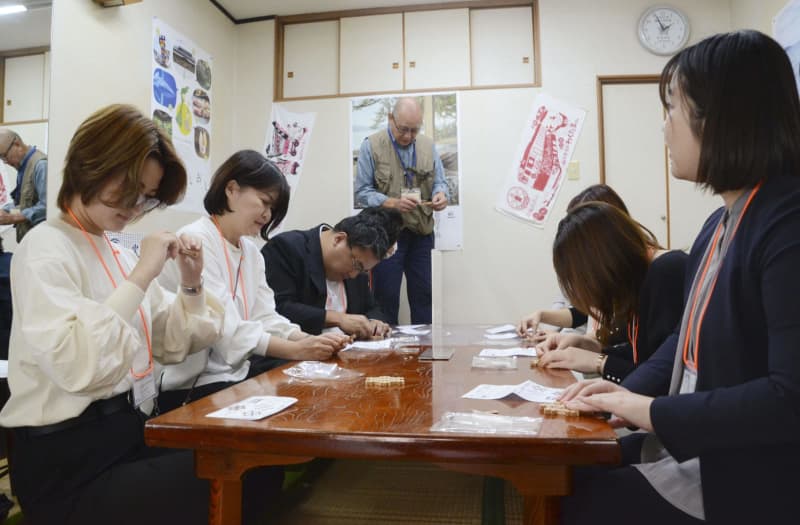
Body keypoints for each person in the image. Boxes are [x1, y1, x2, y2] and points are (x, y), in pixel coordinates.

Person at [559, 31, 800, 525]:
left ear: (724, 117)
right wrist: (618, 396)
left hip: (744, 476)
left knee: (574, 501)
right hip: (694, 451)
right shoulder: (720, 223)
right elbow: (681, 344)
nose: (665, 127)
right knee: (568, 469)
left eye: (672, 107)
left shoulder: (786, 222)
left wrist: (647, 410)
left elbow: (788, 398)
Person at [0, 104, 237, 524]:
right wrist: (144, 273)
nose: (135, 205)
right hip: (67, 461)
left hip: (125, 435)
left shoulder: (115, 248)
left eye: (147, 195)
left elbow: (174, 340)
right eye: (129, 186)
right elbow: (78, 364)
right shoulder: (44, 245)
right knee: (222, 478)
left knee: (242, 460)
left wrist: (192, 282)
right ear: (90, 163)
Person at [157, 150, 349, 413]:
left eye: (273, 208)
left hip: (234, 377)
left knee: (318, 395)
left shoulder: (250, 252)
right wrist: (298, 350)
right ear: (232, 189)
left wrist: (307, 340)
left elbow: (265, 316)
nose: (268, 215)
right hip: (190, 387)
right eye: (264, 202)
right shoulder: (194, 240)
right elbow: (225, 331)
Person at [534, 202, 686, 384]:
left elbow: (664, 378)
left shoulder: (666, 271)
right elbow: (640, 352)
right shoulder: (641, 277)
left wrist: (599, 362)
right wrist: (589, 347)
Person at [354, 97, 450, 324]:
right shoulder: (371, 145)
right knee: (386, 296)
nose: (408, 136)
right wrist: (391, 202)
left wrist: (441, 195)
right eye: (403, 129)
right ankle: (388, 354)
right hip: (386, 235)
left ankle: (426, 355)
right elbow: (362, 192)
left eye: (414, 130)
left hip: (421, 234)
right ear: (390, 119)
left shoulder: (428, 146)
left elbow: (441, 183)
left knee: (424, 295)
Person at [262, 207, 403, 339]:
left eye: (362, 270)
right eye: (356, 265)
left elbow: (371, 308)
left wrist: (375, 322)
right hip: (294, 354)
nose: (354, 275)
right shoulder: (287, 248)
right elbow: (278, 309)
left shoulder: (357, 264)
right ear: (339, 239)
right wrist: (337, 319)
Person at [517, 183, 630, 339]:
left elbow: (612, 339)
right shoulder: (598, 268)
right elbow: (583, 313)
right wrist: (542, 316)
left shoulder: (626, 271)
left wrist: (570, 340)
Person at [0, 129, 47, 241]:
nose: (5, 161)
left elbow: (47, 208)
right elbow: (26, 205)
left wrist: (13, 217)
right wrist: (6, 211)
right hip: (28, 239)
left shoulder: (41, 165)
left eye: (4, 156)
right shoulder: (23, 167)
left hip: (40, 240)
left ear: (17, 144)